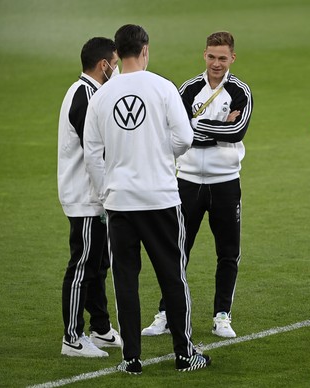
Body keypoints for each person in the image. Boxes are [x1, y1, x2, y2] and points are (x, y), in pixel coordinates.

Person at [83, 24, 211, 374]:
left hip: (120, 202)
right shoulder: (163, 87)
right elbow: (185, 138)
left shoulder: (102, 96)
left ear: (116, 55)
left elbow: (92, 154)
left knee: (125, 280)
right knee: (173, 275)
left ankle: (131, 359)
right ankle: (184, 354)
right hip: (160, 198)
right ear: (145, 50)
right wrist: (159, 151)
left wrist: (105, 191)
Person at [141, 31, 253, 339]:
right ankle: (166, 312)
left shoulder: (240, 90)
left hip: (225, 182)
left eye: (222, 58)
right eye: (211, 56)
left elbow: (238, 132)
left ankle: (222, 315)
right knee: (177, 249)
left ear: (232, 58)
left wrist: (196, 126)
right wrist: (219, 127)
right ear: (204, 55)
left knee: (228, 252)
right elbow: (175, 133)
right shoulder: (188, 89)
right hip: (187, 181)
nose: (216, 63)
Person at [57, 37, 121, 358]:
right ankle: (72, 337)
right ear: (103, 65)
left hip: (96, 196)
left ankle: (100, 327)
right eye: (115, 63)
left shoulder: (93, 93)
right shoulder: (84, 96)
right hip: (85, 196)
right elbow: (96, 147)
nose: (117, 68)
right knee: (82, 264)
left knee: (98, 264)